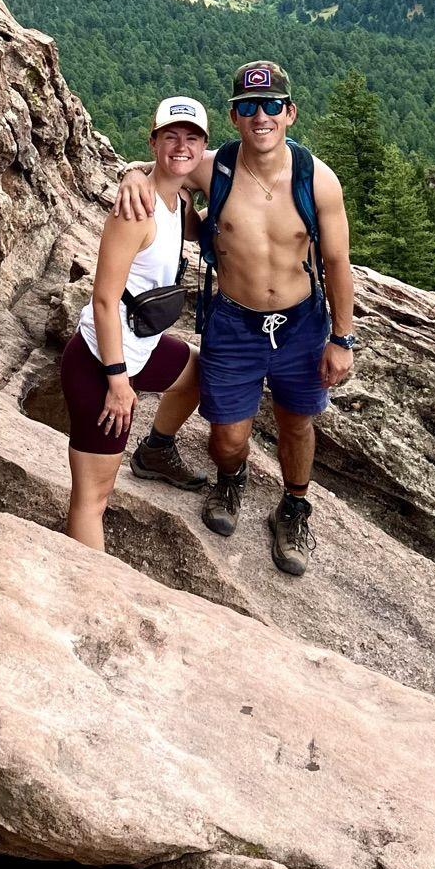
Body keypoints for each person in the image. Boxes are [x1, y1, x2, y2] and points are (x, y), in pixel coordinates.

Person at [115, 60, 357, 576]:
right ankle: (231, 476)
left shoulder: (317, 180)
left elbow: (337, 261)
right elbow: (160, 164)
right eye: (249, 107)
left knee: (297, 423)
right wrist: (131, 176)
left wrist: (343, 338)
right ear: (234, 116)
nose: (261, 116)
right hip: (233, 321)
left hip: (301, 323)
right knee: (227, 436)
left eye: (272, 105)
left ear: (290, 112)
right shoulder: (213, 167)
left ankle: (293, 506)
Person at [61, 95, 214, 550]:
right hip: (101, 363)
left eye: (191, 138)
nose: (181, 146)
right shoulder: (136, 210)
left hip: (141, 348)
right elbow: (105, 299)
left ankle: (157, 451)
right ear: (154, 141)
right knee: (93, 497)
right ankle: (88, 592)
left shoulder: (177, 199)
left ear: (203, 147)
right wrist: (117, 380)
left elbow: (191, 230)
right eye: (171, 137)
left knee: (197, 373)